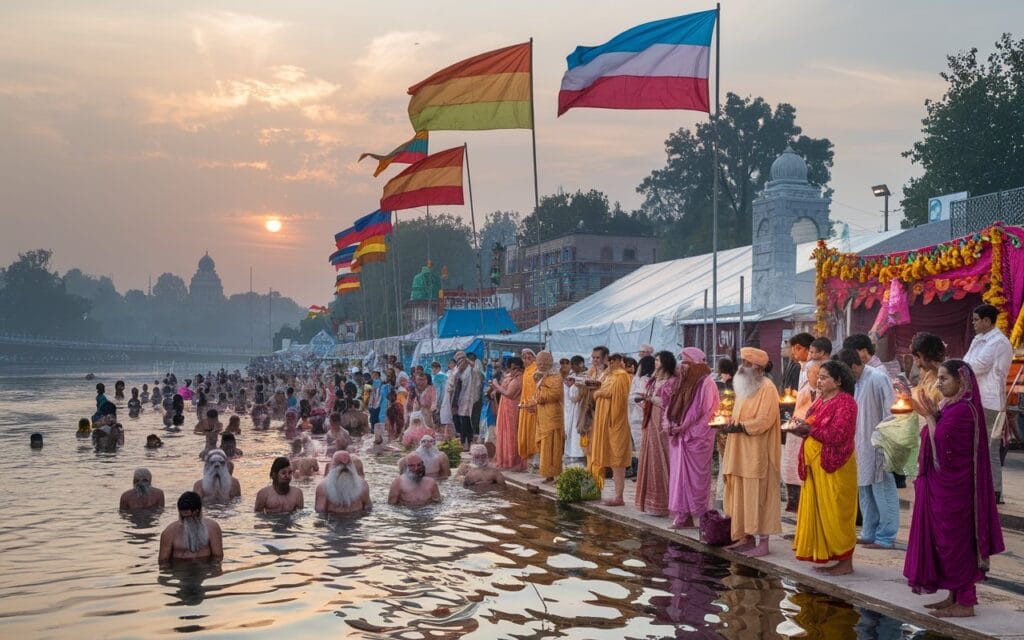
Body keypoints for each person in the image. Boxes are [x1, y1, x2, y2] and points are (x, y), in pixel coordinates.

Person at [906, 360, 1005, 618]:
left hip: (956, 490)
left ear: (961, 382)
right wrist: (931, 414)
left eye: (944, 379)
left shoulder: (963, 411)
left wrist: (928, 417)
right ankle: (953, 594)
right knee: (944, 541)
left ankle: (966, 601)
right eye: (938, 378)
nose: (938, 383)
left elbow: (944, 450)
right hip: (942, 486)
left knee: (955, 541)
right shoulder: (951, 406)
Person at [790, 360, 859, 575]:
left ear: (838, 381)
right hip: (815, 465)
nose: (819, 381)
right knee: (821, 513)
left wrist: (810, 429)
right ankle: (828, 556)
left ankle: (845, 562)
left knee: (837, 513)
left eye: (824, 377)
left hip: (835, 465)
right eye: (818, 377)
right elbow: (812, 425)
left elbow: (839, 436)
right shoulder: (820, 401)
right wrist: (801, 429)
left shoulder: (846, 403)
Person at [721, 347, 782, 557]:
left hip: (757, 454)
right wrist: (729, 424)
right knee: (740, 495)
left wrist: (741, 427)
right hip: (739, 452)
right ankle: (745, 537)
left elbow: (764, 420)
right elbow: (739, 415)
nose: (740, 367)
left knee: (759, 496)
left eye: (745, 363)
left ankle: (763, 543)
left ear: (757, 367)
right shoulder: (744, 387)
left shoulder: (767, 388)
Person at [837, 348, 897, 550]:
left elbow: (891, 411)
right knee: (864, 489)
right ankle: (869, 532)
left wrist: (885, 441)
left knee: (882, 489)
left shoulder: (877, 378)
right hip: (859, 444)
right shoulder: (854, 383)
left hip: (879, 443)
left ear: (854, 366)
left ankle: (886, 536)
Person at [663, 348, 719, 528]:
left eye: (686, 362)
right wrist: (671, 424)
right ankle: (682, 515)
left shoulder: (707, 383)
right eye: (682, 362)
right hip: (681, 437)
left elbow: (708, 412)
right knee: (679, 478)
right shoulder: (683, 382)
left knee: (697, 479)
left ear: (696, 364)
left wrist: (687, 428)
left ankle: (701, 516)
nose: (683, 366)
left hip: (697, 438)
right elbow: (672, 405)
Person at [963, 303, 1012, 503]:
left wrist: (959, 367)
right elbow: (967, 362)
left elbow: (977, 366)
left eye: (976, 320)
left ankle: (995, 491)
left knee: (990, 447)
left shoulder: (998, 342)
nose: (973, 323)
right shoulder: (978, 339)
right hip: (975, 398)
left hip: (990, 401)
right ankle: (979, 487)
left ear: (987, 321)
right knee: (974, 446)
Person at [634, 350, 678, 516]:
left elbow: (670, 403)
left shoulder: (672, 381)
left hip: (662, 423)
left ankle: (665, 503)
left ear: (665, 362)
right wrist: (645, 399)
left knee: (662, 458)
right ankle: (649, 502)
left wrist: (650, 398)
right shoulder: (653, 380)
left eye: (658, 360)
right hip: (650, 421)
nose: (655, 363)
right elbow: (646, 397)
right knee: (649, 458)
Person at [589, 353, 633, 505]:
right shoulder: (610, 375)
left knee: (617, 459)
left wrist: (599, 393)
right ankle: (608, 492)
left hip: (615, 422)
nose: (612, 364)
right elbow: (600, 386)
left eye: (614, 362)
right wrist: (605, 375)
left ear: (620, 361)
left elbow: (617, 397)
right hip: (604, 421)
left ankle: (619, 496)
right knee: (608, 457)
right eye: (610, 362)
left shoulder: (622, 376)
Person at [782, 333, 815, 512]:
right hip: (796, 419)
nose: (794, 353)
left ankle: (802, 502)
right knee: (791, 462)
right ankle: (795, 502)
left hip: (806, 422)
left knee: (801, 463)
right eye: (793, 349)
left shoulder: (811, 367)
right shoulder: (798, 366)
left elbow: (813, 396)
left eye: (798, 349)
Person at [158, 491, 223, 564]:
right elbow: (163, 562)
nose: (185, 521)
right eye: (182, 517)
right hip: (181, 571)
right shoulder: (169, 532)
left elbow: (218, 557)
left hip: (205, 569)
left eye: (188, 517)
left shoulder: (212, 528)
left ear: (197, 512)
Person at [533, 351, 565, 483]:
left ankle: (555, 473)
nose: (540, 365)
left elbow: (555, 395)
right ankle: (547, 474)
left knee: (554, 447)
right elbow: (537, 393)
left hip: (553, 416)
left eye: (543, 363)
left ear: (549, 363)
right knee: (544, 447)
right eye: (538, 362)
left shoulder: (556, 378)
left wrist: (540, 395)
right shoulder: (540, 376)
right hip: (542, 416)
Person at [493, 356, 525, 472]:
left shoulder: (519, 379)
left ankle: (513, 461)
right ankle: (505, 460)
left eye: (516, 368)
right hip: (505, 408)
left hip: (513, 410)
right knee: (503, 433)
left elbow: (509, 394)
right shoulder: (509, 377)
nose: (514, 371)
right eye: (512, 369)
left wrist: (496, 385)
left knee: (512, 435)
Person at [629, 355, 655, 477]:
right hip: (638, 416)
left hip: (642, 416)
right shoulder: (641, 380)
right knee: (643, 447)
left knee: (645, 448)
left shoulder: (646, 380)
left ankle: (646, 472)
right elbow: (634, 397)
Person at [563, 355, 587, 464]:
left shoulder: (586, 376)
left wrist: (578, 397)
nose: (572, 367)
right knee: (572, 430)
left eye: (575, 365)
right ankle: (571, 452)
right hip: (572, 408)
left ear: (581, 364)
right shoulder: (571, 376)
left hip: (582, 407)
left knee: (579, 430)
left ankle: (581, 453)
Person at [517, 349, 539, 464]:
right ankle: (530, 461)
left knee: (533, 431)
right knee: (525, 432)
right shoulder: (526, 370)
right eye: (524, 358)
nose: (526, 360)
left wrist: (534, 403)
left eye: (528, 357)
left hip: (533, 407)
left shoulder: (536, 370)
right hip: (524, 405)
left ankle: (536, 461)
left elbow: (538, 388)